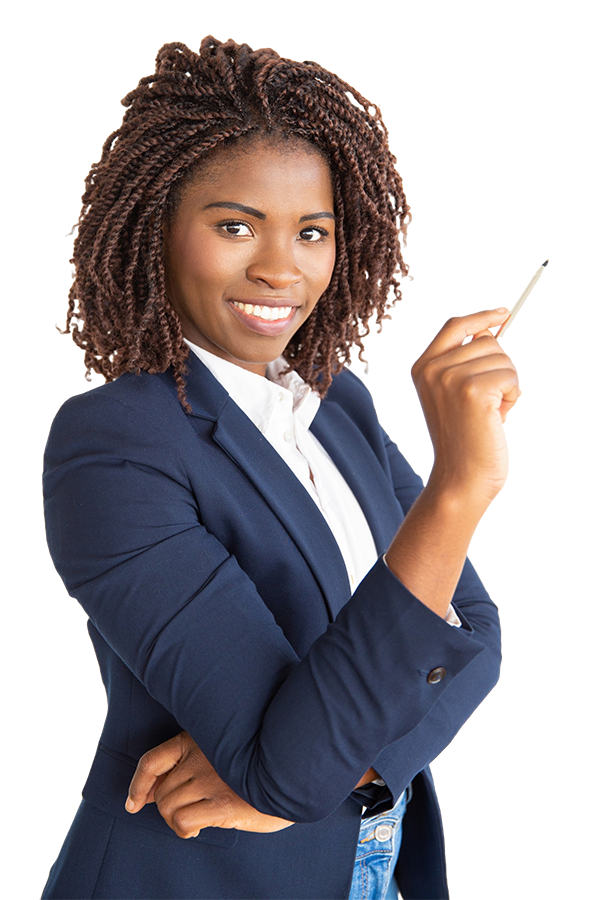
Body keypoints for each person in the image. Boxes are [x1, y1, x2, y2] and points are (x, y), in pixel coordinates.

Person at [42, 38, 517, 900]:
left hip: (378, 860)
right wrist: (458, 486)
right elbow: (286, 767)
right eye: (234, 225)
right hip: (201, 877)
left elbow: (475, 637)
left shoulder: (339, 409)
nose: (279, 267)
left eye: (312, 232)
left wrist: (360, 769)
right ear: (158, 226)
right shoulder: (114, 445)